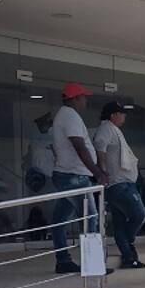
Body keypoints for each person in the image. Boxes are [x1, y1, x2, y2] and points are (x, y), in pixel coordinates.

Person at [51, 82, 107, 274]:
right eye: (84, 97)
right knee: (90, 218)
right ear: (75, 98)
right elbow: (79, 146)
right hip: (74, 176)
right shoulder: (70, 116)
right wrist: (98, 172)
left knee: (59, 220)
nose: (86, 100)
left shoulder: (64, 115)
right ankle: (92, 266)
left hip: (67, 174)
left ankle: (63, 261)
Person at [93, 101, 145, 270]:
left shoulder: (113, 129)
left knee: (120, 222)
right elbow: (100, 147)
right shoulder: (107, 128)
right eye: (121, 113)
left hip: (122, 183)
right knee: (139, 214)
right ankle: (129, 242)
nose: (124, 116)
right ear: (113, 115)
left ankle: (128, 257)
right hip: (118, 184)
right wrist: (102, 171)